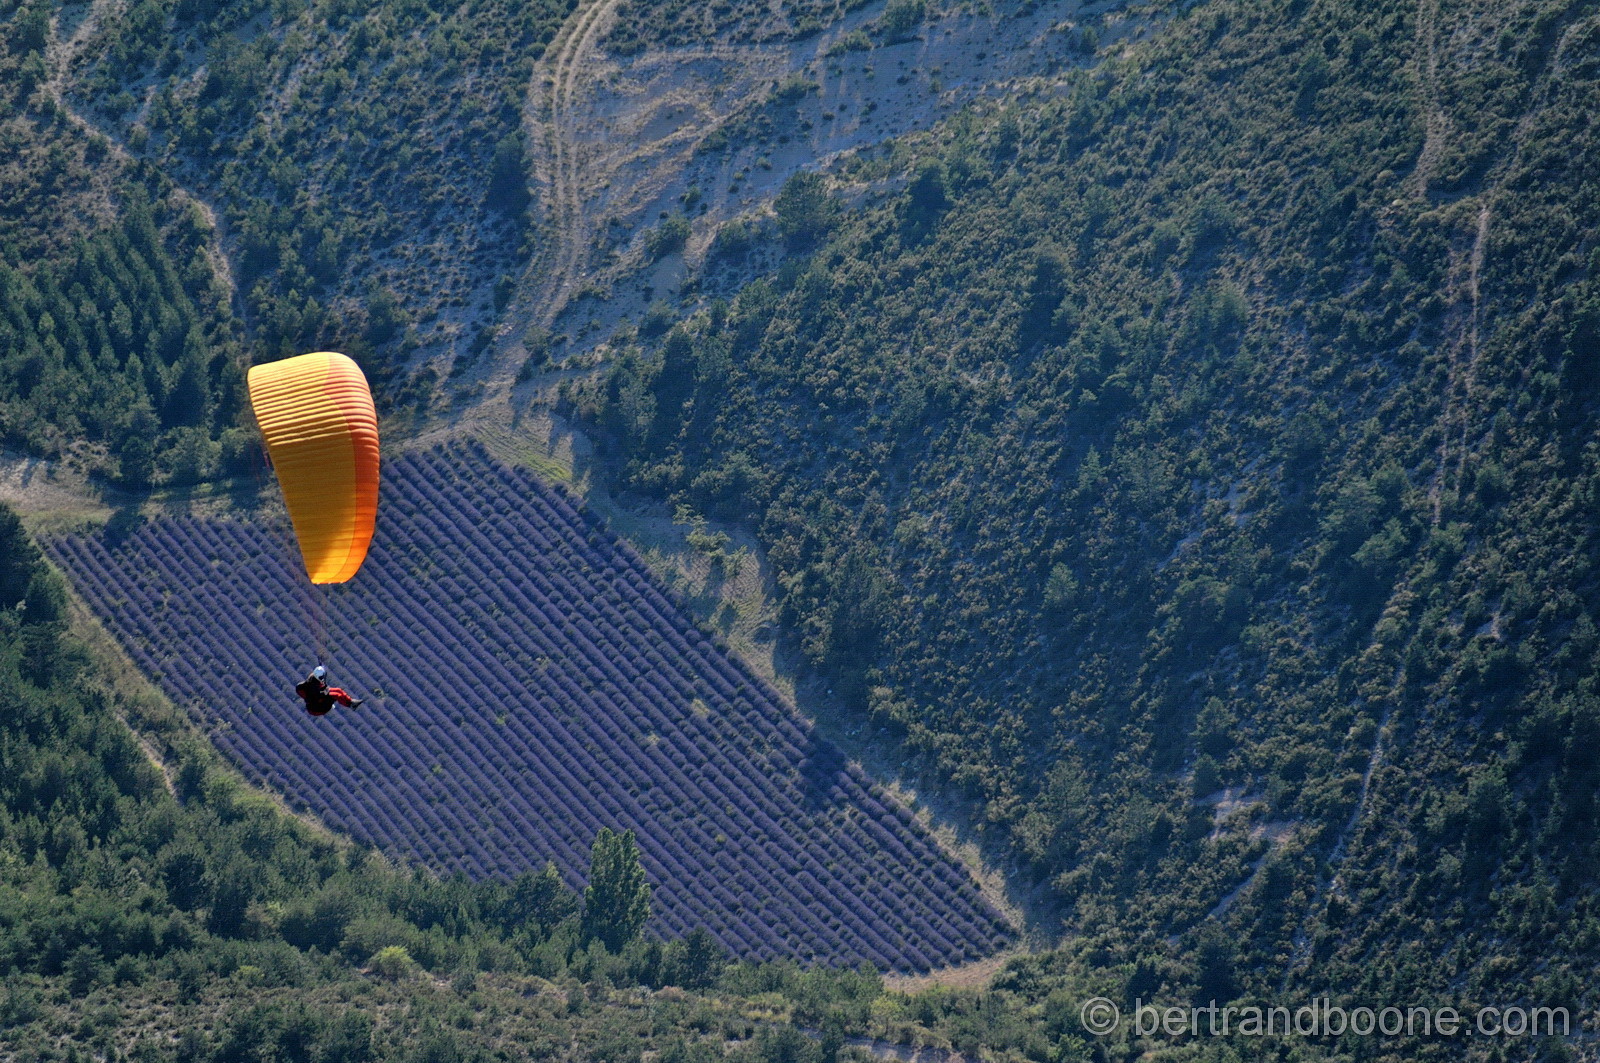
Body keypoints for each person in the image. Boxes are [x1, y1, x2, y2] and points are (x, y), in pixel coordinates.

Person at [295, 665, 364, 716]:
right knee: (337, 695)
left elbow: (321, 687)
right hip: (317, 708)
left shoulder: (313, 679)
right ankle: (350, 705)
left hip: (318, 699)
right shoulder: (314, 687)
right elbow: (320, 693)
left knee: (338, 690)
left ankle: (350, 701)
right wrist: (325, 691)